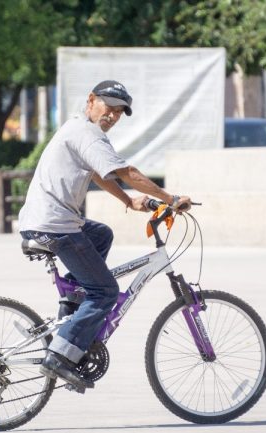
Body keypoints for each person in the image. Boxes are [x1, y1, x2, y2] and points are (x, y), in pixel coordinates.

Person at [18, 80, 192, 392]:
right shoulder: (87, 134)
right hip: (55, 225)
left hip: (49, 221)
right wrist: (170, 198)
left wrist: (129, 201)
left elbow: (99, 174)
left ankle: (72, 303)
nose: (112, 115)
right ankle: (61, 354)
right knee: (105, 292)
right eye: (108, 107)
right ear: (91, 100)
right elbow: (129, 173)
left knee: (101, 235)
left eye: (119, 112)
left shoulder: (78, 130)